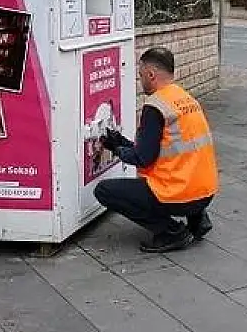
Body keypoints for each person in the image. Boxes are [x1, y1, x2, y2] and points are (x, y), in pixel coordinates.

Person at [93, 47, 218, 253]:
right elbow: (161, 150)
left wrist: (115, 147)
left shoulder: (155, 107)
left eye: (140, 75)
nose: (140, 80)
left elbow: (143, 158)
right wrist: (121, 142)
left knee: (104, 191)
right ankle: (198, 220)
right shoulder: (185, 98)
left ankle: (172, 232)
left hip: (179, 194)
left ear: (151, 75)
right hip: (205, 192)